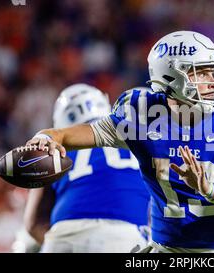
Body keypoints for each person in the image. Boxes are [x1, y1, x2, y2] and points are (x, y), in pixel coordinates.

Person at [23, 30, 214, 253]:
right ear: (172, 76)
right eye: (202, 72)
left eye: (213, 71)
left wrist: (210, 190)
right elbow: (71, 135)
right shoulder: (140, 115)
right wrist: (47, 137)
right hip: (167, 248)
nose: (213, 81)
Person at [17, 83, 151, 253]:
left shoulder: (55, 147)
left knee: (25, 244)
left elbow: (32, 224)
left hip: (64, 236)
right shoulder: (141, 143)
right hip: (125, 236)